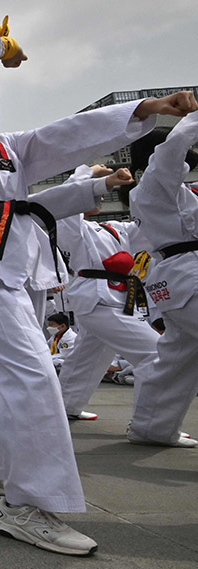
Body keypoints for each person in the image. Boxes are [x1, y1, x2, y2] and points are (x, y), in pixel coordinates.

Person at [0, 16, 195, 555]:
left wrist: (146, 112)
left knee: (0, 377)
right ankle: (26, 505)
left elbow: (62, 142)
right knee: (36, 375)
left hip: (17, 265)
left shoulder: (5, 147)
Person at [55, 164, 159, 422]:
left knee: (88, 358)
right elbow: (66, 196)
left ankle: (63, 406)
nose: (101, 198)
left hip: (120, 297)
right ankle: (150, 424)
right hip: (97, 298)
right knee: (156, 354)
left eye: (102, 194)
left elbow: (152, 226)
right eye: (94, 193)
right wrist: (86, 172)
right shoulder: (72, 227)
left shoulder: (116, 228)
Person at [127, 110, 198, 446]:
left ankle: (152, 428)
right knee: (177, 359)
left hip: (174, 277)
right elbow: (175, 145)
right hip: (188, 273)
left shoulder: (157, 194)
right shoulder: (156, 180)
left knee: (177, 362)